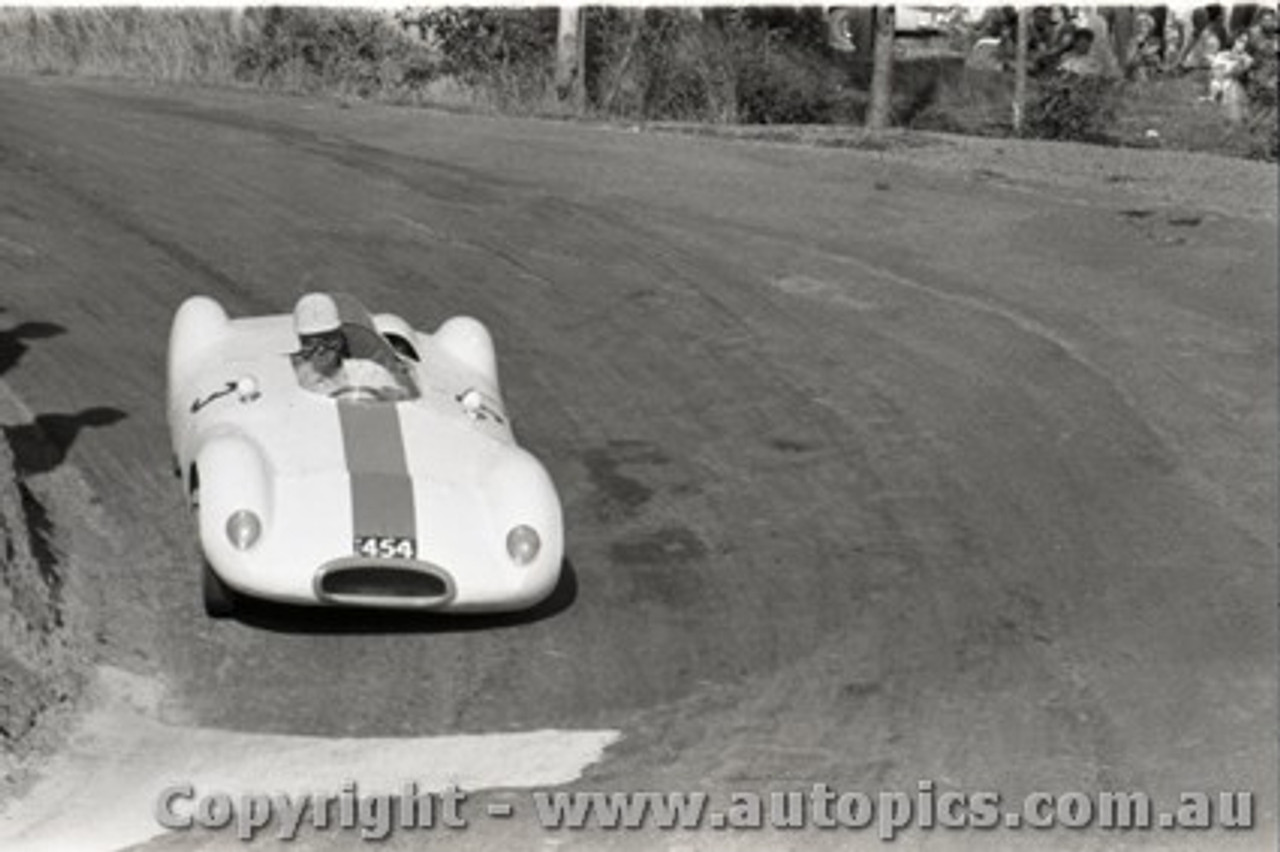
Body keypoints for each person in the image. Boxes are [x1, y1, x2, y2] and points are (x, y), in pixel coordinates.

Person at [292, 293, 402, 398]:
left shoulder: (370, 373)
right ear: (302, 345)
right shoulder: (296, 379)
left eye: (329, 340)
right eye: (311, 343)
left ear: (340, 340)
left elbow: (400, 401)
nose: (321, 349)